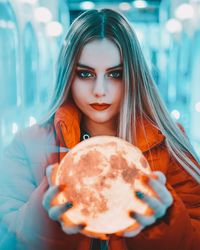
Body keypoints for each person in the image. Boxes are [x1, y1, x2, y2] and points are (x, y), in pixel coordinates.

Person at [0, 8, 200, 250]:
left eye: (115, 74)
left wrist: (163, 223)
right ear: (68, 77)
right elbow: (7, 240)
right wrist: (46, 223)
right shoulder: (28, 147)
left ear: (134, 76)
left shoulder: (169, 143)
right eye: (85, 74)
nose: (100, 90)